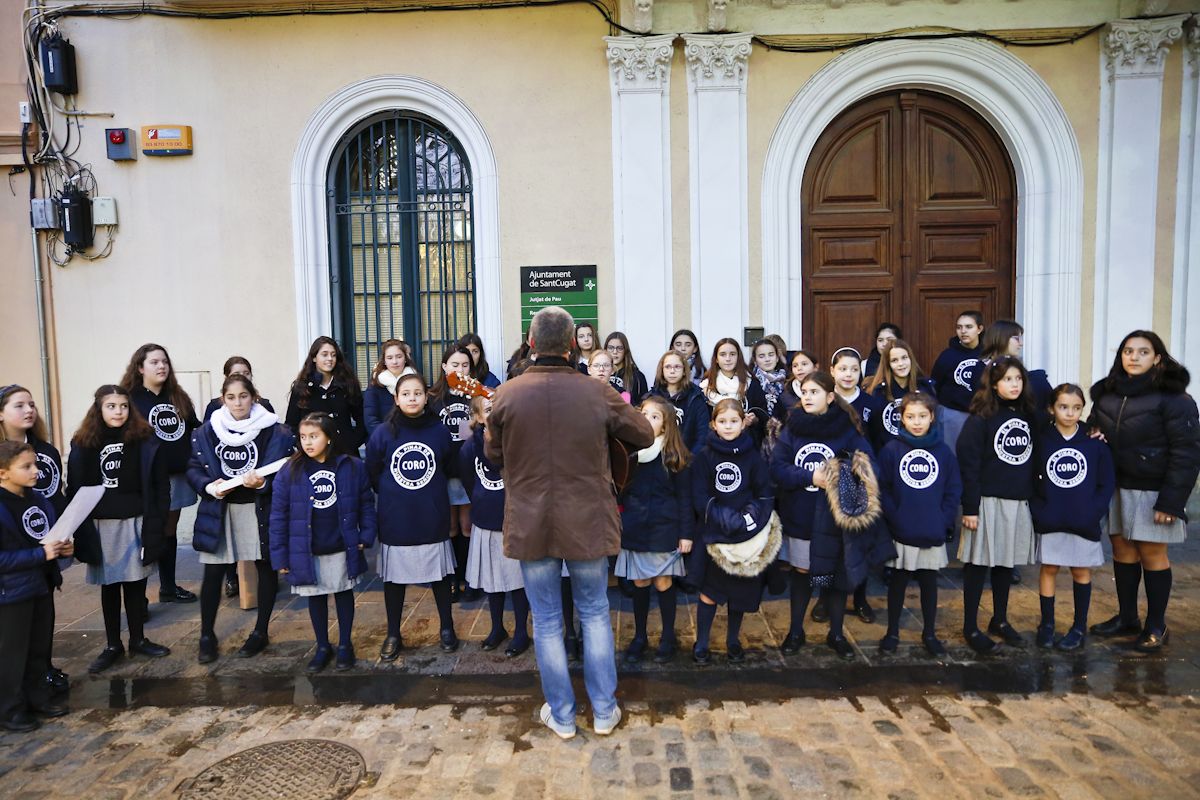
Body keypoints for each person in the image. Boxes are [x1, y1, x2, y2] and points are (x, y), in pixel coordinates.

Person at [485, 306, 654, 740]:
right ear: (570, 345)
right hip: (588, 519)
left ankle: (561, 715)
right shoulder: (596, 392)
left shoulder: (506, 394)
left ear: (533, 342)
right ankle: (602, 710)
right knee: (596, 613)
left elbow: (493, 454)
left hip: (530, 519)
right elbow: (644, 433)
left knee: (545, 621)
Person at [1087, 330, 1200, 653]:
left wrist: (1172, 501)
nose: (1133, 357)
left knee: (1152, 554)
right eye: (1127, 351)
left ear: (1158, 358)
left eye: (1142, 352)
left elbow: (1187, 452)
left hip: (1154, 490)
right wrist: (1093, 432)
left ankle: (1156, 625)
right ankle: (1127, 618)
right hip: (1118, 487)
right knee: (1122, 551)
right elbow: (1093, 425)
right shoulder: (1107, 394)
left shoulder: (1176, 399)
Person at [187, 374, 294, 663]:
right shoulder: (207, 432)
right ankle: (206, 635)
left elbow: (284, 472)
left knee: (265, 567)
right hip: (220, 509)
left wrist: (261, 484)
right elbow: (194, 467)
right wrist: (209, 486)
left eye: (243, 396)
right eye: (231, 397)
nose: (238, 403)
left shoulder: (274, 431)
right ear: (223, 399)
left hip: (257, 508)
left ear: (253, 397)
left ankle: (261, 631)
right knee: (213, 573)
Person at [69, 385, 172, 674]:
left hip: (135, 519)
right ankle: (113, 644)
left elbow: (159, 484)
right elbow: (75, 487)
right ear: (99, 409)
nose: (118, 411)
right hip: (102, 523)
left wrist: (159, 520)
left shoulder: (144, 439)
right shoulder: (84, 442)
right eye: (111, 406)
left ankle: (138, 638)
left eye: (123, 406)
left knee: (136, 582)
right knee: (110, 585)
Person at [270, 413, 376, 673]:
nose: (307, 442)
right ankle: (321, 645)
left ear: (328, 438)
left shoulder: (351, 466)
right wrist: (280, 556)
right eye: (303, 437)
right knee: (315, 597)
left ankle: (344, 645)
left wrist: (366, 535)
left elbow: (366, 503)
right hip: (307, 547)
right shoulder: (290, 471)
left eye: (314, 436)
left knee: (342, 593)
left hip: (340, 543)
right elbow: (278, 515)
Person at [367, 372, 459, 660]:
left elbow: (450, 464)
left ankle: (447, 628)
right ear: (396, 398)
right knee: (394, 580)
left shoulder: (439, 431)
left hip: (431, 514)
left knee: (440, 576)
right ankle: (393, 632)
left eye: (417, 393)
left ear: (425, 397)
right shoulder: (384, 433)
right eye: (406, 394)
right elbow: (372, 472)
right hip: (397, 516)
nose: (412, 398)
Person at [956, 356, 1038, 654]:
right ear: (993, 384)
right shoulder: (980, 418)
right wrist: (970, 508)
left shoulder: (1029, 414)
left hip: (1017, 499)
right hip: (986, 501)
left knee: (1005, 564)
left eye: (1018, 379)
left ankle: (1000, 620)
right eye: (1006, 380)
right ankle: (970, 626)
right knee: (977, 565)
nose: (1014, 385)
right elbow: (969, 464)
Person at [687, 399, 778, 666]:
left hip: (743, 535)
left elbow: (763, 492)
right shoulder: (704, 456)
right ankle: (701, 641)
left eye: (734, 421)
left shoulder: (753, 456)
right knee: (710, 591)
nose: (728, 426)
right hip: (714, 534)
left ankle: (732, 640)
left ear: (743, 423)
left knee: (739, 592)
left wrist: (748, 517)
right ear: (714, 424)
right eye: (723, 422)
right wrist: (720, 517)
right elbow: (699, 495)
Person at [876, 394, 961, 657]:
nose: (916, 422)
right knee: (898, 583)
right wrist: (895, 517)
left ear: (932, 417)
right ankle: (892, 631)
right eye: (910, 416)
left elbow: (952, 489)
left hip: (931, 528)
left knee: (928, 583)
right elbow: (883, 488)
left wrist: (943, 518)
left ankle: (929, 633)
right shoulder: (892, 450)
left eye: (922, 416)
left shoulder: (943, 452)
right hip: (901, 530)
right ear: (901, 418)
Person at [1032, 385, 1115, 652]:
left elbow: (1106, 483)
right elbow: (1031, 479)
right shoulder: (1042, 439)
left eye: (1076, 408)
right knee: (1049, 568)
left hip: (1083, 520)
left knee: (1081, 571)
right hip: (1051, 518)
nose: (1070, 413)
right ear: (1051, 409)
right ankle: (1047, 624)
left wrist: (1094, 511)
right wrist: (1039, 508)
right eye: (1063, 407)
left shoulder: (1094, 443)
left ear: (1083, 409)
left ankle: (1078, 626)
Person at [0, 386, 69, 691]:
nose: (29, 410)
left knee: (40, 627)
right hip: (11, 566)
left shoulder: (45, 451)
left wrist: (60, 538)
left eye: (31, 404)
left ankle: (40, 679)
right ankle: (13, 698)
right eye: (19, 405)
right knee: (12, 638)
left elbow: (53, 498)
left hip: (41, 549)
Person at [120, 343, 199, 606]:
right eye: (154, 362)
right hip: (145, 479)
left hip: (175, 476)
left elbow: (195, 429)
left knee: (169, 528)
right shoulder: (130, 399)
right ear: (140, 367)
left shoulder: (178, 396)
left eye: (164, 361)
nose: (161, 366)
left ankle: (168, 586)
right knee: (145, 530)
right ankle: (138, 598)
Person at [616, 396, 693, 664]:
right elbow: (620, 493)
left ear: (666, 425)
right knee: (639, 583)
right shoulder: (630, 453)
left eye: (655, 416)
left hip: (664, 528)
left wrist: (685, 534)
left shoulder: (674, 456)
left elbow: (685, 498)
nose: (648, 420)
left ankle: (668, 637)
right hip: (636, 526)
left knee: (663, 582)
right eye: (644, 414)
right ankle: (640, 637)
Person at [460, 397, 530, 657]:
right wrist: (480, 501)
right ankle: (497, 627)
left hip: (513, 520)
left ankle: (521, 631)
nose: (495, 414)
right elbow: (469, 480)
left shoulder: (516, 443)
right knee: (492, 580)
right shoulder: (470, 448)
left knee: (517, 580)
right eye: (488, 410)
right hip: (486, 518)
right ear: (478, 417)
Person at [824, 347, 883, 624]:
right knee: (829, 545)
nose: (849, 374)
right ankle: (825, 599)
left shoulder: (872, 405)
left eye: (854, 369)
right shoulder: (825, 402)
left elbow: (879, 445)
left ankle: (860, 598)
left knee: (859, 544)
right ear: (832, 370)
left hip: (861, 485)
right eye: (843, 369)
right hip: (829, 482)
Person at [428, 345, 477, 602]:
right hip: (443, 473)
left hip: (468, 471)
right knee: (449, 527)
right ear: (445, 366)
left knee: (467, 526)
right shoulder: (433, 398)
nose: (460, 369)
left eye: (465, 365)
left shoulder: (477, 395)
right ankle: (451, 579)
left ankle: (470, 579)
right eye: (455, 365)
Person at [285, 336, 366, 456]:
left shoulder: (348, 384)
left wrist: (351, 443)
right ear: (314, 358)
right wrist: (306, 447)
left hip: (345, 454)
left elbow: (362, 419)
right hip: (313, 457)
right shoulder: (301, 387)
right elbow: (291, 425)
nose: (330, 358)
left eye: (333, 355)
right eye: (325, 354)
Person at [930, 311, 985, 451]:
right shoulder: (948, 355)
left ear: (979, 329)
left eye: (968, 327)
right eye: (959, 327)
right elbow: (935, 384)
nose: (963, 331)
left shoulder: (988, 355)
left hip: (982, 415)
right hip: (953, 415)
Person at [867, 339, 937, 448]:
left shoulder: (925, 388)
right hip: (888, 454)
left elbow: (933, 425)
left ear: (911, 359)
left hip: (920, 451)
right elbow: (874, 431)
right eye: (894, 360)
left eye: (904, 358)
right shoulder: (879, 392)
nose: (901, 364)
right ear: (888, 364)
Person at [972, 320, 1053, 413]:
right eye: (1016, 338)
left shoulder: (1015, 364)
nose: (1021, 344)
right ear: (1002, 338)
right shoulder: (982, 368)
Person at [647, 351, 709, 450]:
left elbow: (702, 436)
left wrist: (690, 461)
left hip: (688, 458)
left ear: (684, 370)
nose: (672, 371)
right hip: (657, 459)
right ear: (662, 370)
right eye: (667, 367)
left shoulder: (696, 397)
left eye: (677, 367)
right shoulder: (651, 398)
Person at [363, 340, 416, 435]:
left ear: (405, 358)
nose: (394, 362)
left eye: (399, 357)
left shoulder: (416, 382)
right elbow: (371, 420)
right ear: (384, 361)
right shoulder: (375, 385)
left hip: (412, 438)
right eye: (389, 358)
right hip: (384, 440)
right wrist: (388, 438)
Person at [202, 357, 276, 423]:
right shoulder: (214, 407)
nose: (242, 377)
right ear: (226, 378)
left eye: (246, 373)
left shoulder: (264, 405)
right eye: (236, 374)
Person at [773, 350, 817, 423]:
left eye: (804, 364)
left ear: (815, 367)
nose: (799, 368)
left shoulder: (826, 391)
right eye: (795, 366)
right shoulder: (785, 395)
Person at [605, 332, 649, 403]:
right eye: (611, 348)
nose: (615, 352)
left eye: (619, 348)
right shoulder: (600, 373)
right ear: (605, 349)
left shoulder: (638, 376)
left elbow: (644, 406)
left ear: (625, 350)